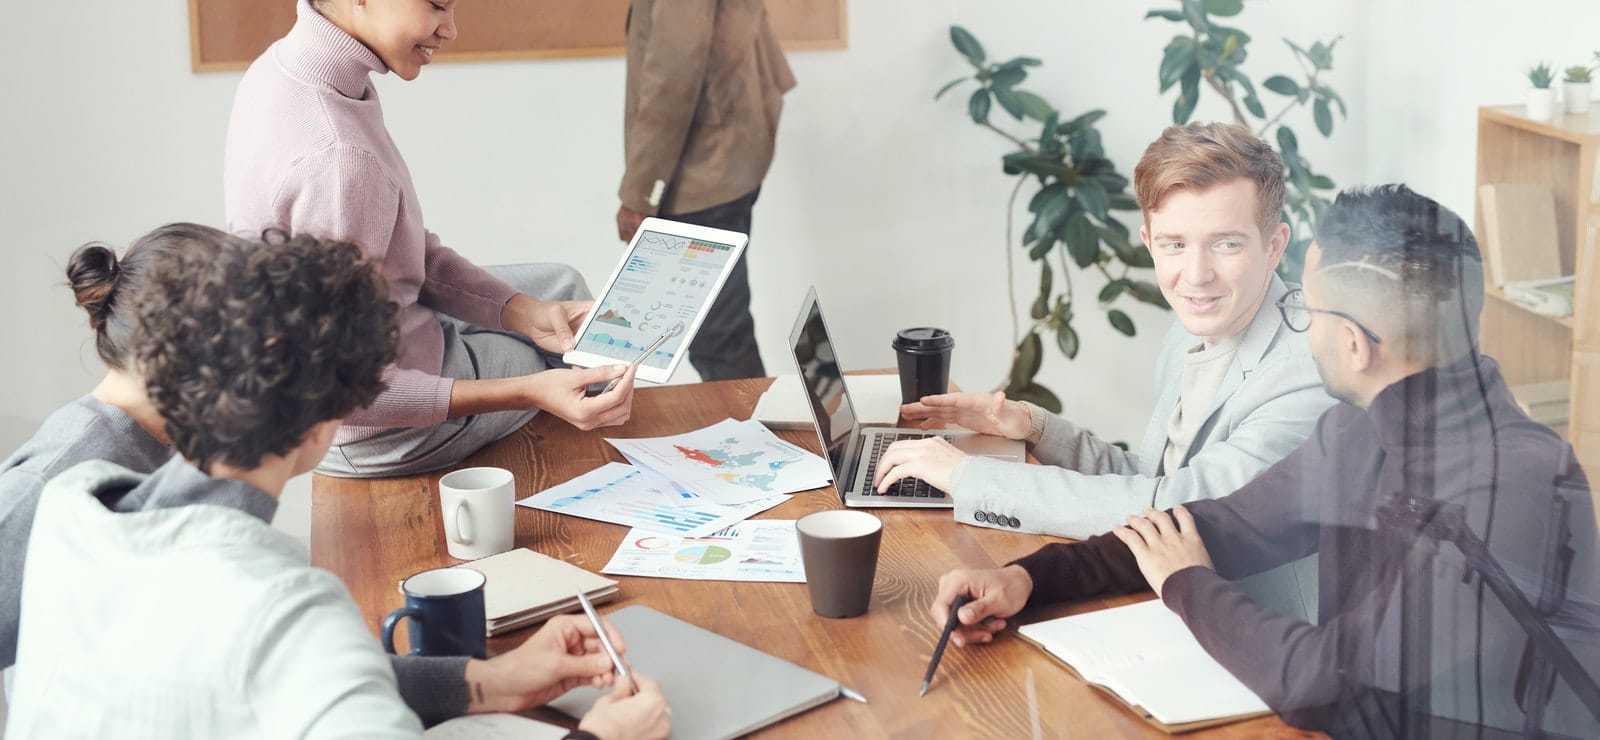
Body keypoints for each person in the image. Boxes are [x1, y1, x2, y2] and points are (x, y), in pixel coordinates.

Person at [928, 185, 1600, 736]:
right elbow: (1208, 527)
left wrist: (1187, 586)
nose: (1299, 326)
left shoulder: (1515, 485)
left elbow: (1324, 683)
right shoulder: (1356, 435)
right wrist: (1027, 580)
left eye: (1308, 309)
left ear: (1356, 344)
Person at [2, 226, 669, 738]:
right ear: (329, 421)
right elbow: (294, 649)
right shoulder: (290, 604)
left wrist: (485, 681)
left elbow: (282, 672)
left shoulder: (75, 507)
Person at [224, 0, 637, 478]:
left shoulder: (284, 69)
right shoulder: (340, 160)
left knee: (559, 290)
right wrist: (531, 387)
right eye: (437, 5)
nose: (452, 30)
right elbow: (345, 389)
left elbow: (400, 250)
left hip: (392, 332)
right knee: (550, 363)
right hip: (373, 426)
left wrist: (519, 310)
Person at [874, 123, 1333, 543]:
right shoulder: (1190, 330)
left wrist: (967, 477)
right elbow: (1151, 479)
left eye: (1226, 244)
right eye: (1175, 244)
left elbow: (1181, 509)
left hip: (1245, 618)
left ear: (1274, 246)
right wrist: (1033, 427)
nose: (1196, 275)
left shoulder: (1309, 368)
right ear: (1149, 243)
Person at [614, 0, 796, 381]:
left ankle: (760, 439)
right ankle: (759, 434)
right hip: (726, 155)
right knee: (723, 330)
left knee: (719, 337)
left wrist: (641, 193)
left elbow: (674, 72)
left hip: (700, 169)